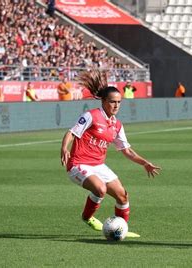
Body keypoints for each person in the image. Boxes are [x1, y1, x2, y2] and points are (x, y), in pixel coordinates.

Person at [60, 69, 161, 237]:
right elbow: (71, 132)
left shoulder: (117, 125)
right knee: (100, 189)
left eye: (119, 102)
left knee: (122, 196)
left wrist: (144, 163)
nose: (116, 105)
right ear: (103, 101)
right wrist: (64, 148)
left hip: (98, 165)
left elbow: (127, 151)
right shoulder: (91, 116)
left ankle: (122, 228)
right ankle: (87, 217)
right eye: (113, 102)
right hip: (78, 164)